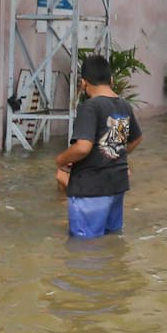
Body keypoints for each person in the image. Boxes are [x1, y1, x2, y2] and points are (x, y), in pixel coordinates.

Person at [54, 53, 143, 238]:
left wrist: (60, 160)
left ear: (84, 83)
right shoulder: (124, 105)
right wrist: (114, 155)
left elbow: (83, 147)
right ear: (111, 79)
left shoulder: (90, 107)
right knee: (110, 238)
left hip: (91, 189)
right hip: (117, 185)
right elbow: (135, 139)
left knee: (85, 249)